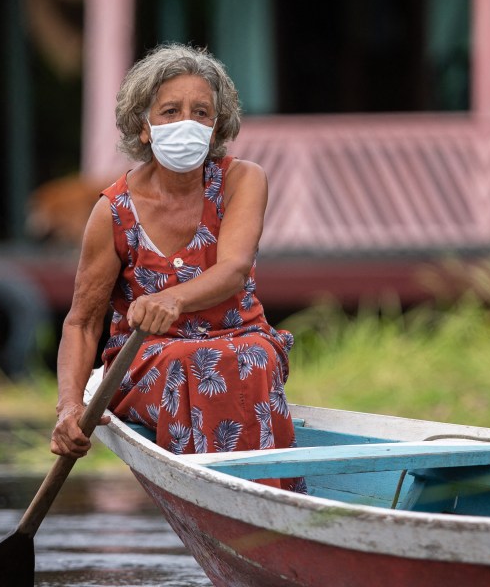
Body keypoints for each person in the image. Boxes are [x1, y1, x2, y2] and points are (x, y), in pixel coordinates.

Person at [50, 43, 304, 492]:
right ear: (144, 127)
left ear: (216, 126)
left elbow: (233, 270)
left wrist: (171, 298)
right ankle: (216, 495)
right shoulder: (113, 212)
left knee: (255, 356)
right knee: (186, 361)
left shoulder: (241, 180)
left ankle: (268, 494)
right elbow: (83, 322)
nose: (186, 122)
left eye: (201, 112)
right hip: (149, 357)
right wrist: (70, 407)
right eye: (170, 111)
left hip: (242, 338)